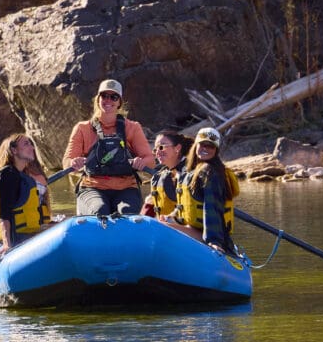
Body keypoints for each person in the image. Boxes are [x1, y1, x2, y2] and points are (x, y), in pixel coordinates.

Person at [63, 78, 156, 217]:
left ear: (119, 102)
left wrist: (141, 162)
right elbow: (66, 163)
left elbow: (151, 161)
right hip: (92, 187)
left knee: (126, 213)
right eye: (104, 96)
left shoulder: (133, 127)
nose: (108, 101)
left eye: (114, 97)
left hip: (126, 188)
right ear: (98, 99)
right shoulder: (82, 128)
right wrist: (73, 163)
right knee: (100, 210)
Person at [165, 126, 240, 254]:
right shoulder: (188, 171)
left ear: (216, 150)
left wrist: (214, 241)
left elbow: (212, 207)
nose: (205, 149)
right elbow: (186, 204)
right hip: (192, 228)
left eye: (210, 146)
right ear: (196, 146)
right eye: (202, 145)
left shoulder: (210, 172)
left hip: (205, 234)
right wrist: (172, 217)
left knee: (159, 227)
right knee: (160, 221)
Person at [0, 133, 49, 256]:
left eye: (31, 144)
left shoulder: (21, 175)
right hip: (16, 239)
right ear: (14, 150)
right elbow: (5, 214)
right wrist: (7, 244)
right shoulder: (7, 175)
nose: (32, 148)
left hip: (27, 234)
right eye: (26, 144)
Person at [141, 129, 193, 218]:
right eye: (155, 149)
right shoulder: (159, 177)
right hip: (165, 229)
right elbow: (149, 207)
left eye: (161, 147)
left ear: (177, 148)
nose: (157, 152)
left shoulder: (195, 173)